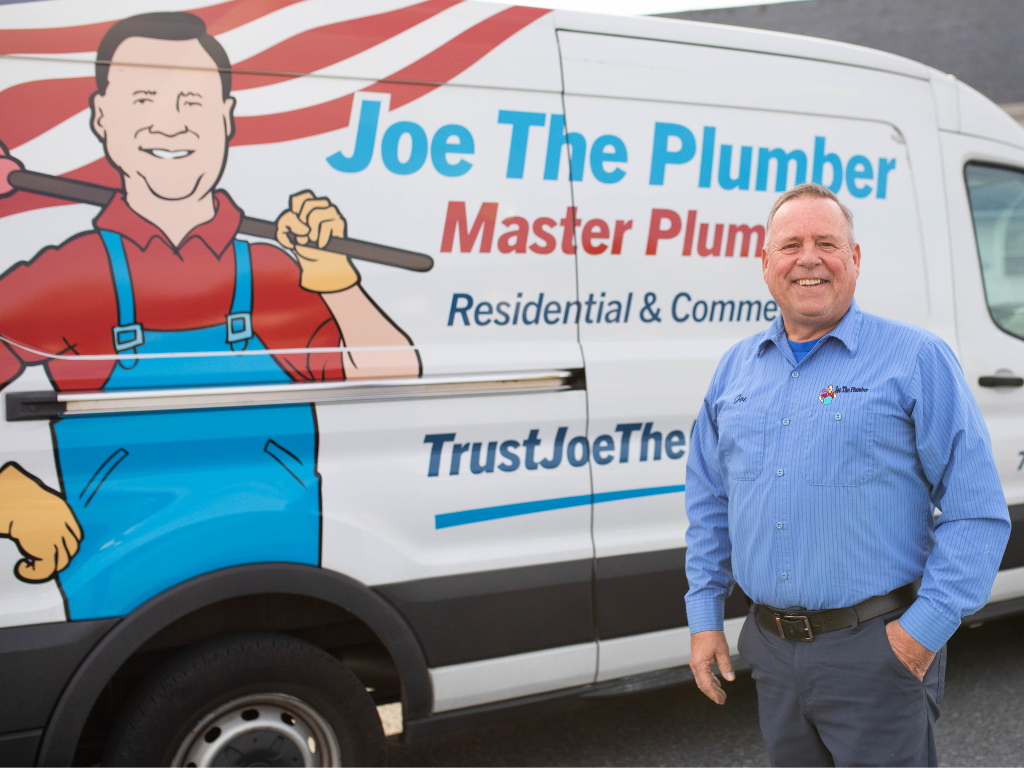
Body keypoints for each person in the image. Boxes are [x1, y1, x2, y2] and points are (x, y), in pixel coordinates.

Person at [0, 12, 419, 620]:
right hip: (121, 605)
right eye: (143, 98)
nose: (169, 123)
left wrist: (336, 279)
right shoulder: (69, 276)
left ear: (226, 117)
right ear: (101, 117)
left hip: (285, 589)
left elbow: (395, 372)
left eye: (191, 101)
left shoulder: (276, 269)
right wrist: (8, 494)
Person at [684, 182, 1010, 766]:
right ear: (765, 263)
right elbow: (710, 501)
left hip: (877, 651)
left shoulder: (916, 359)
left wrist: (920, 634)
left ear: (854, 259)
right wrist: (705, 617)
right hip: (772, 653)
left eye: (827, 243)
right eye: (790, 245)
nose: (808, 258)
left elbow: (977, 511)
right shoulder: (735, 369)